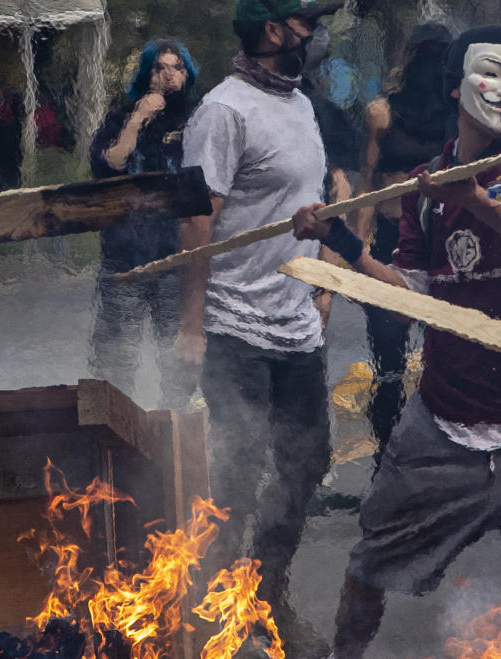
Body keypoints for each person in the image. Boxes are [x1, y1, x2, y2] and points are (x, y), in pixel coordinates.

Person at [293, 25, 501, 658]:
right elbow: (412, 288)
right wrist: (344, 243)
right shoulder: (425, 187)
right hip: (446, 427)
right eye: (492, 73)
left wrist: (480, 202)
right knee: (370, 560)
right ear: (457, 86)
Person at [174, 1, 342, 655]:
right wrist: (192, 325)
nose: (314, 34)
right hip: (234, 323)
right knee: (236, 477)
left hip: (295, 325)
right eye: (305, 22)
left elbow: (314, 197)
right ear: (273, 31)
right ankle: (218, 618)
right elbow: (195, 221)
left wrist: (323, 276)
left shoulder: (300, 103)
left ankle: (268, 599)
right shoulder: (224, 110)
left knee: (306, 465)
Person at [350, 21, 453, 464]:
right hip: (394, 244)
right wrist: (355, 249)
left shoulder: (463, 112)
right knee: (390, 363)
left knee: (447, 356)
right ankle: (388, 459)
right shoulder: (382, 113)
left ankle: (445, 457)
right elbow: (368, 187)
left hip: (447, 242)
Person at [87, 38, 200, 408]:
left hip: (175, 258)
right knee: (116, 360)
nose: (169, 74)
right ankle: (115, 435)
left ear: (187, 74)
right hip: (125, 257)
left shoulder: (198, 119)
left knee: (177, 358)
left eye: (177, 67)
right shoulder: (121, 117)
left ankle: (175, 432)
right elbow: (109, 165)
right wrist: (138, 119)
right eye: (160, 67)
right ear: (146, 73)